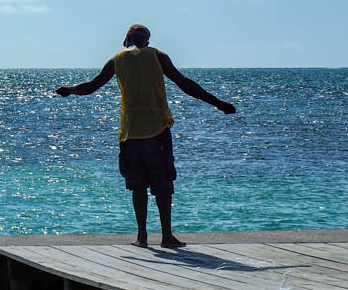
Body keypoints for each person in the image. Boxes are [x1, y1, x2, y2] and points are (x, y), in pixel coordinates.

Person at [55, 24, 236, 249]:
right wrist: (218, 103)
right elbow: (185, 84)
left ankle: (142, 237)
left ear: (128, 39)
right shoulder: (157, 56)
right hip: (157, 130)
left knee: (137, 185)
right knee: (162, 183)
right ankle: (166, 236)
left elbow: (91, 87)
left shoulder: (117, 60)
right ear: (147, 40)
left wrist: (70, 90)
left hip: (131, 133)